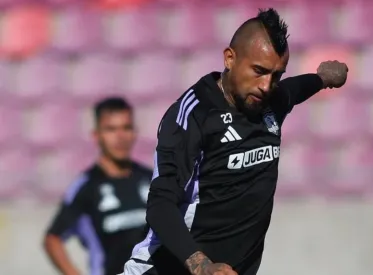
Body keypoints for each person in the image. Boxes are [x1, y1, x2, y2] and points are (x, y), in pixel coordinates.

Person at [123, 8, 348, 275]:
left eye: (276, 75)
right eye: (259, 71)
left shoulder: (270, 100)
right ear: (230, 58)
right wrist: (202, 265)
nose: (266, 85)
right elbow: (160, 206)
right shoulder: (195, 114)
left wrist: (323, 79)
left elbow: (294, 90)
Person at [43, 97, 153, 275]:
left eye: (126, 128)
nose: (120, 137)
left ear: (135, 132)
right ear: (96, 135)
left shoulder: (151, 179)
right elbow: (53, 239)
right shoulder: (86, 186)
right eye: (111, 129)